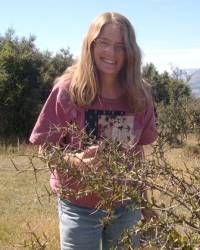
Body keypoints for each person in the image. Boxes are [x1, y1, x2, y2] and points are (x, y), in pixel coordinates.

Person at [29, 12, 158, 250]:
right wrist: (75, 161)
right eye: (104, 43)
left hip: (126, 205)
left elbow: (138, 154)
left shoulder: (140, 95)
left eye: (120, 46)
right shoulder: (68, 90)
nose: (111, 53)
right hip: (78, 206)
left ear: (130, 51)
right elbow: (44, 148)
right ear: (90, 44)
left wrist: (144, 203)